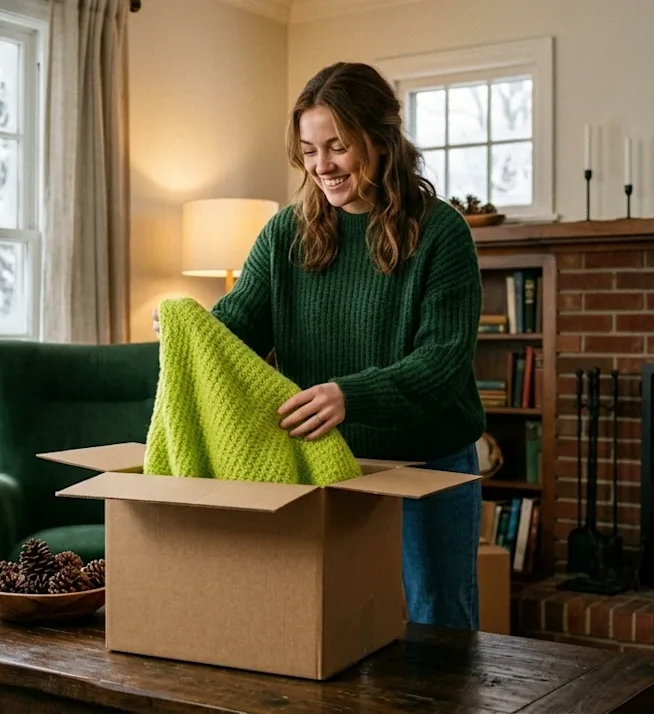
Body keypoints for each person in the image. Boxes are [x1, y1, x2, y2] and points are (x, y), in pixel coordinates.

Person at [156, 61, 485, 630]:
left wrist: (348, 395)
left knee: (438, 627)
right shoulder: (286, 232)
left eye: (338, 147)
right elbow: (236, 325)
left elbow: (442, 365)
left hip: (427, 463)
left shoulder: (441, 232)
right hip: (326, 465)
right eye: (309, 151)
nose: (322, 166)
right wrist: (190, 330)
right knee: (332, 629)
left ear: (381, 140)